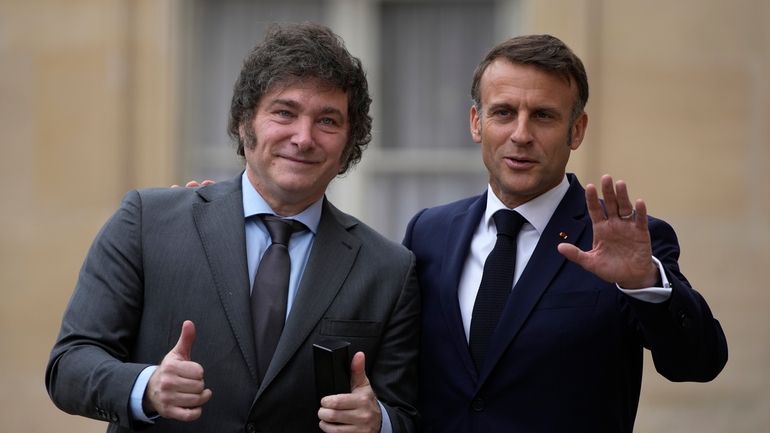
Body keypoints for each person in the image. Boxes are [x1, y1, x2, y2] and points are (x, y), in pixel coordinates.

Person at [45, 23, 419, 433]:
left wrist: (378, 421)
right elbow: (70, 365)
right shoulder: (146, 221)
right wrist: (146, 387)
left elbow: (405, 413)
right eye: (284, 112)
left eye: (327, 120)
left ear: (349, 143)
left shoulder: (388, 269)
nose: (304, 137)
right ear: (245, 122)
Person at [403, 34, 728, 432]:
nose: (521, 134)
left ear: (576, 130)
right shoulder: (428, 233)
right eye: (503, 113)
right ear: (477, 123)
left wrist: (644, 283)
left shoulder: (627, 245)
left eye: (543, 116)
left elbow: (699, 363)